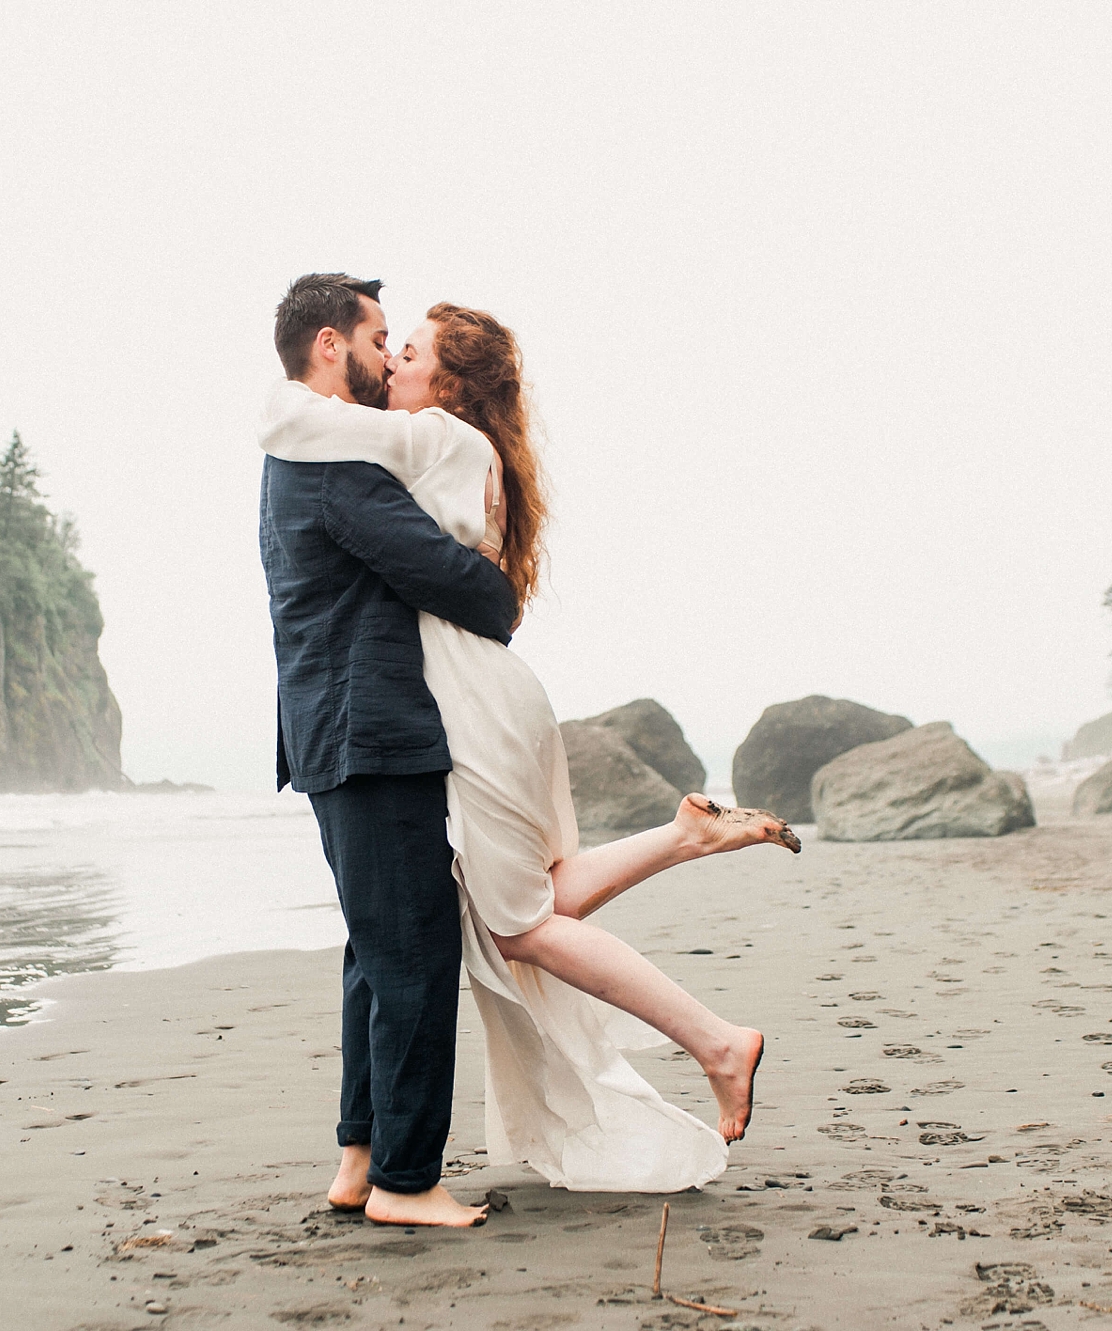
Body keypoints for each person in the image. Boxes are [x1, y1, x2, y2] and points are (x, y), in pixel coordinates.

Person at [259, 291, 799, 1204]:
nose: (391, 360)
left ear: (452, 385)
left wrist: (287, 400)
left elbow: (473, 589)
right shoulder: (381, 450)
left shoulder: (429, 443)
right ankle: (686, 852)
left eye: (409, 349)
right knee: (487, 920)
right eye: (383, 342)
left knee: (507, 924)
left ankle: (713, 1035)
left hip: (466, 707)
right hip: (442, 709)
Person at [259, 273, 516, 1228]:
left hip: (334, 729)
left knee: (375, 950)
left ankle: (361, 1160)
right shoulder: (339, 468)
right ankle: (410, 1181)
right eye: (377, 339)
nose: (386, 356)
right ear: (330, 345)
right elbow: (462, 585)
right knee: (411, 950)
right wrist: (497, 588)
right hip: (369, 731)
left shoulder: (301, 449)